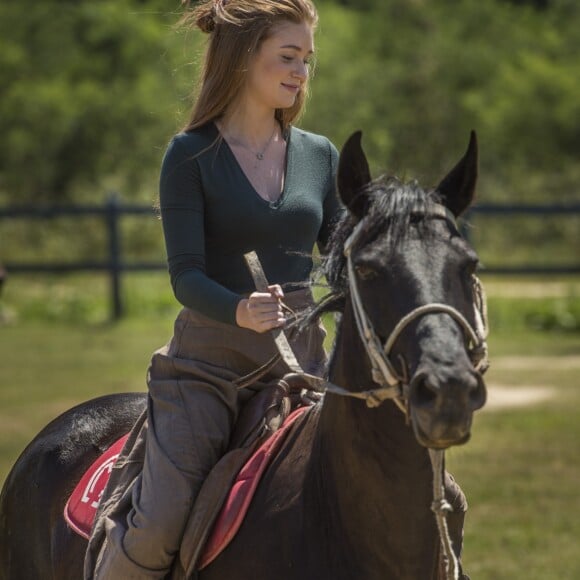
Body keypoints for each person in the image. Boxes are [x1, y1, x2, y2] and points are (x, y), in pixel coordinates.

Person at [86, 0, 342, 577]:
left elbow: (342, 254)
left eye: (307, 58)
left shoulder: (319, 156)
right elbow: (185, 276)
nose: (301, 71)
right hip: (207, 370)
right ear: (242, 57)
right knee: (159, 525)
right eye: (287, 56)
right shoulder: (190, 155)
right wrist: (238, 309)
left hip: (304, 367)